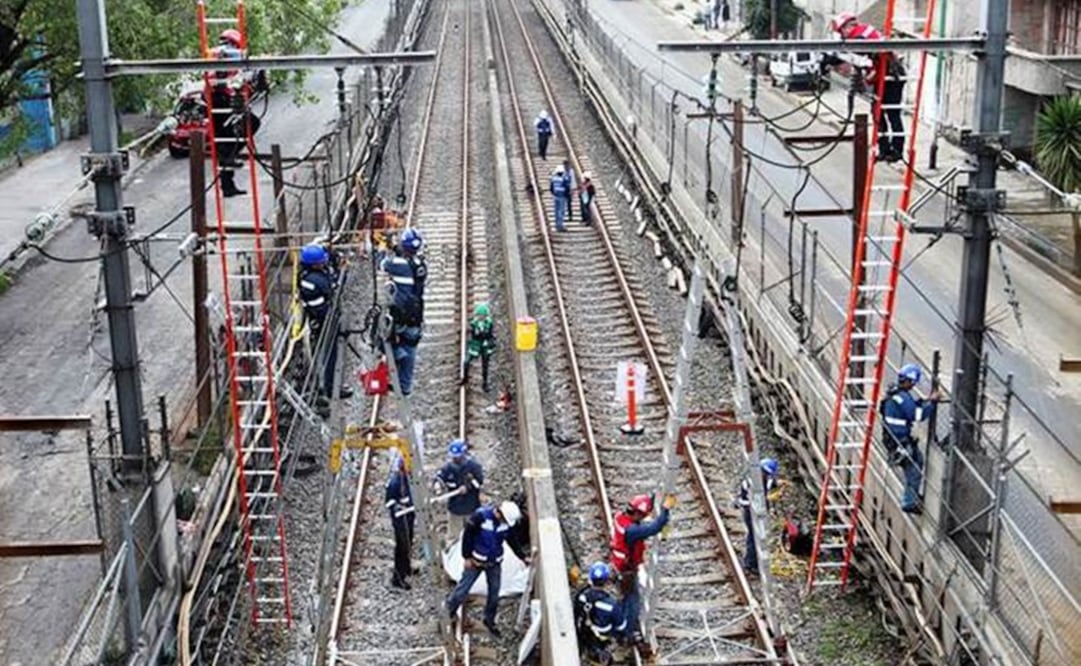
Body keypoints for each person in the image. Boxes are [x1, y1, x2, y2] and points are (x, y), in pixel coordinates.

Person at [829, 12, 907, 163]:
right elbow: (870, 62)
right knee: (878, 113)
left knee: (892, 114)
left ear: (846, 27)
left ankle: (896, 150)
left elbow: (860, 55)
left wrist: (836, 58)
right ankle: (885, 149)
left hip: (891, 76)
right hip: (886, 75)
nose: (843, 36)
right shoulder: (864, 32)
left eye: (841, 32)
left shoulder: (859, 36)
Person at [445, 500, 528, 636]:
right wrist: (467, 557)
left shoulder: (505, 525)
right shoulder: (480, 517)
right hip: (475, 562)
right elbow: (467, 536)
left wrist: (522, 557)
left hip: (494, 563)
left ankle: (489, 620)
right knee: (462, 590)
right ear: (499, 513)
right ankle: (448, 613)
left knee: (494, 594)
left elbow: (512, 540)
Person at [608, 493, 677, 644]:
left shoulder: (621, 516)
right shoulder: (632, 531)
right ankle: (627, 633)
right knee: (633, 601)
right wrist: (665, 510)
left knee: (624, 597)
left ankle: (620, 625)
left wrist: (654, 496)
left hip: (618, 566)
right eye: (643, 516)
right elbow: (655, 527)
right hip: (627, 570)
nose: (643, 519)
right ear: (637, 513)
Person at [880, 363, 940, 514]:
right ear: (909, 381)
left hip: (895, 438)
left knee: (916, 462)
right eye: (913, 383)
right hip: (899, 440)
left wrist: (924, 401)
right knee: (913, 468)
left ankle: (912, 496)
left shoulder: (897, 394)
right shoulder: (902, 397)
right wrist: (932, 402)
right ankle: (909, 502)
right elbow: (917, 415)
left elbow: (911, 407)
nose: (913, 386)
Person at [299, 243, 351, 406]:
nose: (324, 263)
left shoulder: (315, 275)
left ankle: (331, 386)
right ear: (314, 263)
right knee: (330, 357)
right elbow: (329, 294)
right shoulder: (312, 281)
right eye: (322, 261)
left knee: (331, 356)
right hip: (324, 323)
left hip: (328, 319)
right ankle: (330, 388)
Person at [381, 228, 427, 396]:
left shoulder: (398, 264)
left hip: (399, 313)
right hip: (416, 313)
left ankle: (397, 353)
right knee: (411, 347)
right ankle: (405, 386)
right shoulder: (420, 264)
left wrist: (386, 247)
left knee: (381, 337)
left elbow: (383, 263)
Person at [573, 562, 627, 665]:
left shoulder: (582, 597)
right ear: (606, 582)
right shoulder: (612, 605)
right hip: (604, 639)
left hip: (586, 636)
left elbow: (577, 614)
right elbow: (621, 627)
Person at [737, 457, 779, 575]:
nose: (764, 475)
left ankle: (757, 562)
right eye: (763, 472)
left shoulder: (769, 482)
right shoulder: (748, 483)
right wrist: (753, 505)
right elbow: (742, 501)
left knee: (760, 537)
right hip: (751, 514)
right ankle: (750, 564)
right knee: (753, 537)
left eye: (767, 474)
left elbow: (773, 488)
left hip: (762, 514)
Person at [436, 439, 485, 533]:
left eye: (457, 457)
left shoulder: (474, 467)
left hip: (471, 507)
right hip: (455, 509)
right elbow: (440, 478)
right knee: (453, 537)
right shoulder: (448, 468)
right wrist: (438, 486)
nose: (455, 459)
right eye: (453, 457)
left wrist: (467, 487)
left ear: (464, 454)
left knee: (474, 534)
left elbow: (479, 483)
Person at [385, 450, 416, 589]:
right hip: (400, 521)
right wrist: (398, 507)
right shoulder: (395, 482)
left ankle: (407, 567)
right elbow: (389, 502)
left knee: (409, 542)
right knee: (402, 547)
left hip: (409, 518)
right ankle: (398, 578)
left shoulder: (408, 479)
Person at [461, 302, 496, 392]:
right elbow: (473, 335)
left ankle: (485, 383)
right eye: (479, 315)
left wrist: (489, 342)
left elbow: (490, 335)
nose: (481, 317)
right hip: (476, 344)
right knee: (466, 362)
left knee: (485, 364)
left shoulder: (489, 323)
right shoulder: (474, 323)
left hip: (485, 345)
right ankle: (465, 379)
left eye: (482, 315)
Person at [550, 166, 570, 232]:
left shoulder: (554, 178)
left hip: (556, 195)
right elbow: (567, 187)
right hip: (562, 195)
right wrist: (567, 195)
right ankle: (560, 225)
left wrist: (554, 193)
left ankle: (557, 225)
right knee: (561, 211)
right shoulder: (564, 178)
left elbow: (551, 188)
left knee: (557, 210)